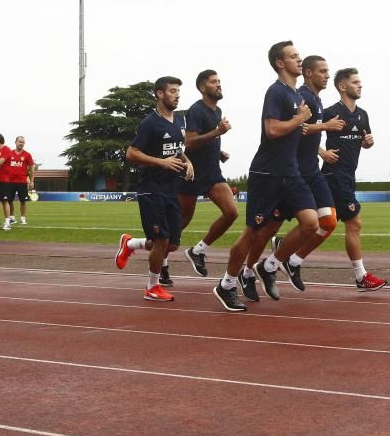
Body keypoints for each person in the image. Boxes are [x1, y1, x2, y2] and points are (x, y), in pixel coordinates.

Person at [212, 40, 317, 312]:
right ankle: (226, 284)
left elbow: (296, 130)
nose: (300, 59)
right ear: (280, 63)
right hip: (267, 173)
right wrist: (300, 119)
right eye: (294, 56)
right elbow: (271, 130)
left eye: (299, 55)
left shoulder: (297, 96)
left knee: (311, 223)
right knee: (253, 234)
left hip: (290, 172)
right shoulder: (276, 92)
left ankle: (269, 266)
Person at [242, 55, 346, 300]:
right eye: (322, 71)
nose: (327, 75)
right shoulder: (301, 97)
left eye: (327, 71)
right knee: (265, 229)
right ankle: (247, 272)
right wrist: (326, 127)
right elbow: (301, 128)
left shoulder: (316, 100)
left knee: (327, 221)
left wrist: (320, 150)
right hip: (292, 171)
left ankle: (285, 261)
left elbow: (306, 134)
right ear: (309, 73)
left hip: (309, 170)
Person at [113, 76, 194, 301]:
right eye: (172, 91)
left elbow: (178, 149)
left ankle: (130, 244)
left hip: (171, 188)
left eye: (178, 91)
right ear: (159, 94)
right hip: (151, 187)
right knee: (161, 240)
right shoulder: (150, 122)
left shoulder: (179, 121)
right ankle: (152, 287)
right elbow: (131, 153)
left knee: (172, 243)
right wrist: (161, 162)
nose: (177, 95)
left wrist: (188, 162)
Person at [315, 68, 388, 291]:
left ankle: (286, 255)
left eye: (360, 82)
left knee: (325, 225)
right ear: (342, 86)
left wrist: (368, 142)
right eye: (355, 82)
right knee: (354, 222)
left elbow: (364, 142)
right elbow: (304, 132)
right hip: (333, 174)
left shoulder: (362, 114)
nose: (360, 85)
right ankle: (361, 276)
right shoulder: (329, 112)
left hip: (349, 174)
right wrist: (322, 153)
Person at [180, 70, 238, 278]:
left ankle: (198, 250)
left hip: (213, 172)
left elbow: (208, 140)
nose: (219, 85)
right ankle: (163, 261)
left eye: (219, 81)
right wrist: (217, 132)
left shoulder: (217, 110)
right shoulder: (196, 110)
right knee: (181, 221)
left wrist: (219, 152)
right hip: (192, 174)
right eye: (214, 82)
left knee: (232, 212)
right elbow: (190, 142)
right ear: (203, 88)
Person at [5, 136, 35, 225]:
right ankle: (12, 217)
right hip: (10, 181)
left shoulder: (27, 155)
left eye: (23, 142)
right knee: (9, 200)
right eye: (20, 142)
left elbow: (32, 169)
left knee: (23, 201)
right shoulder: (9, 153)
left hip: (22, 181)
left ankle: (23, 218)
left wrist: (32, 181)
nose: (21, 143)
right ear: (15, 142)